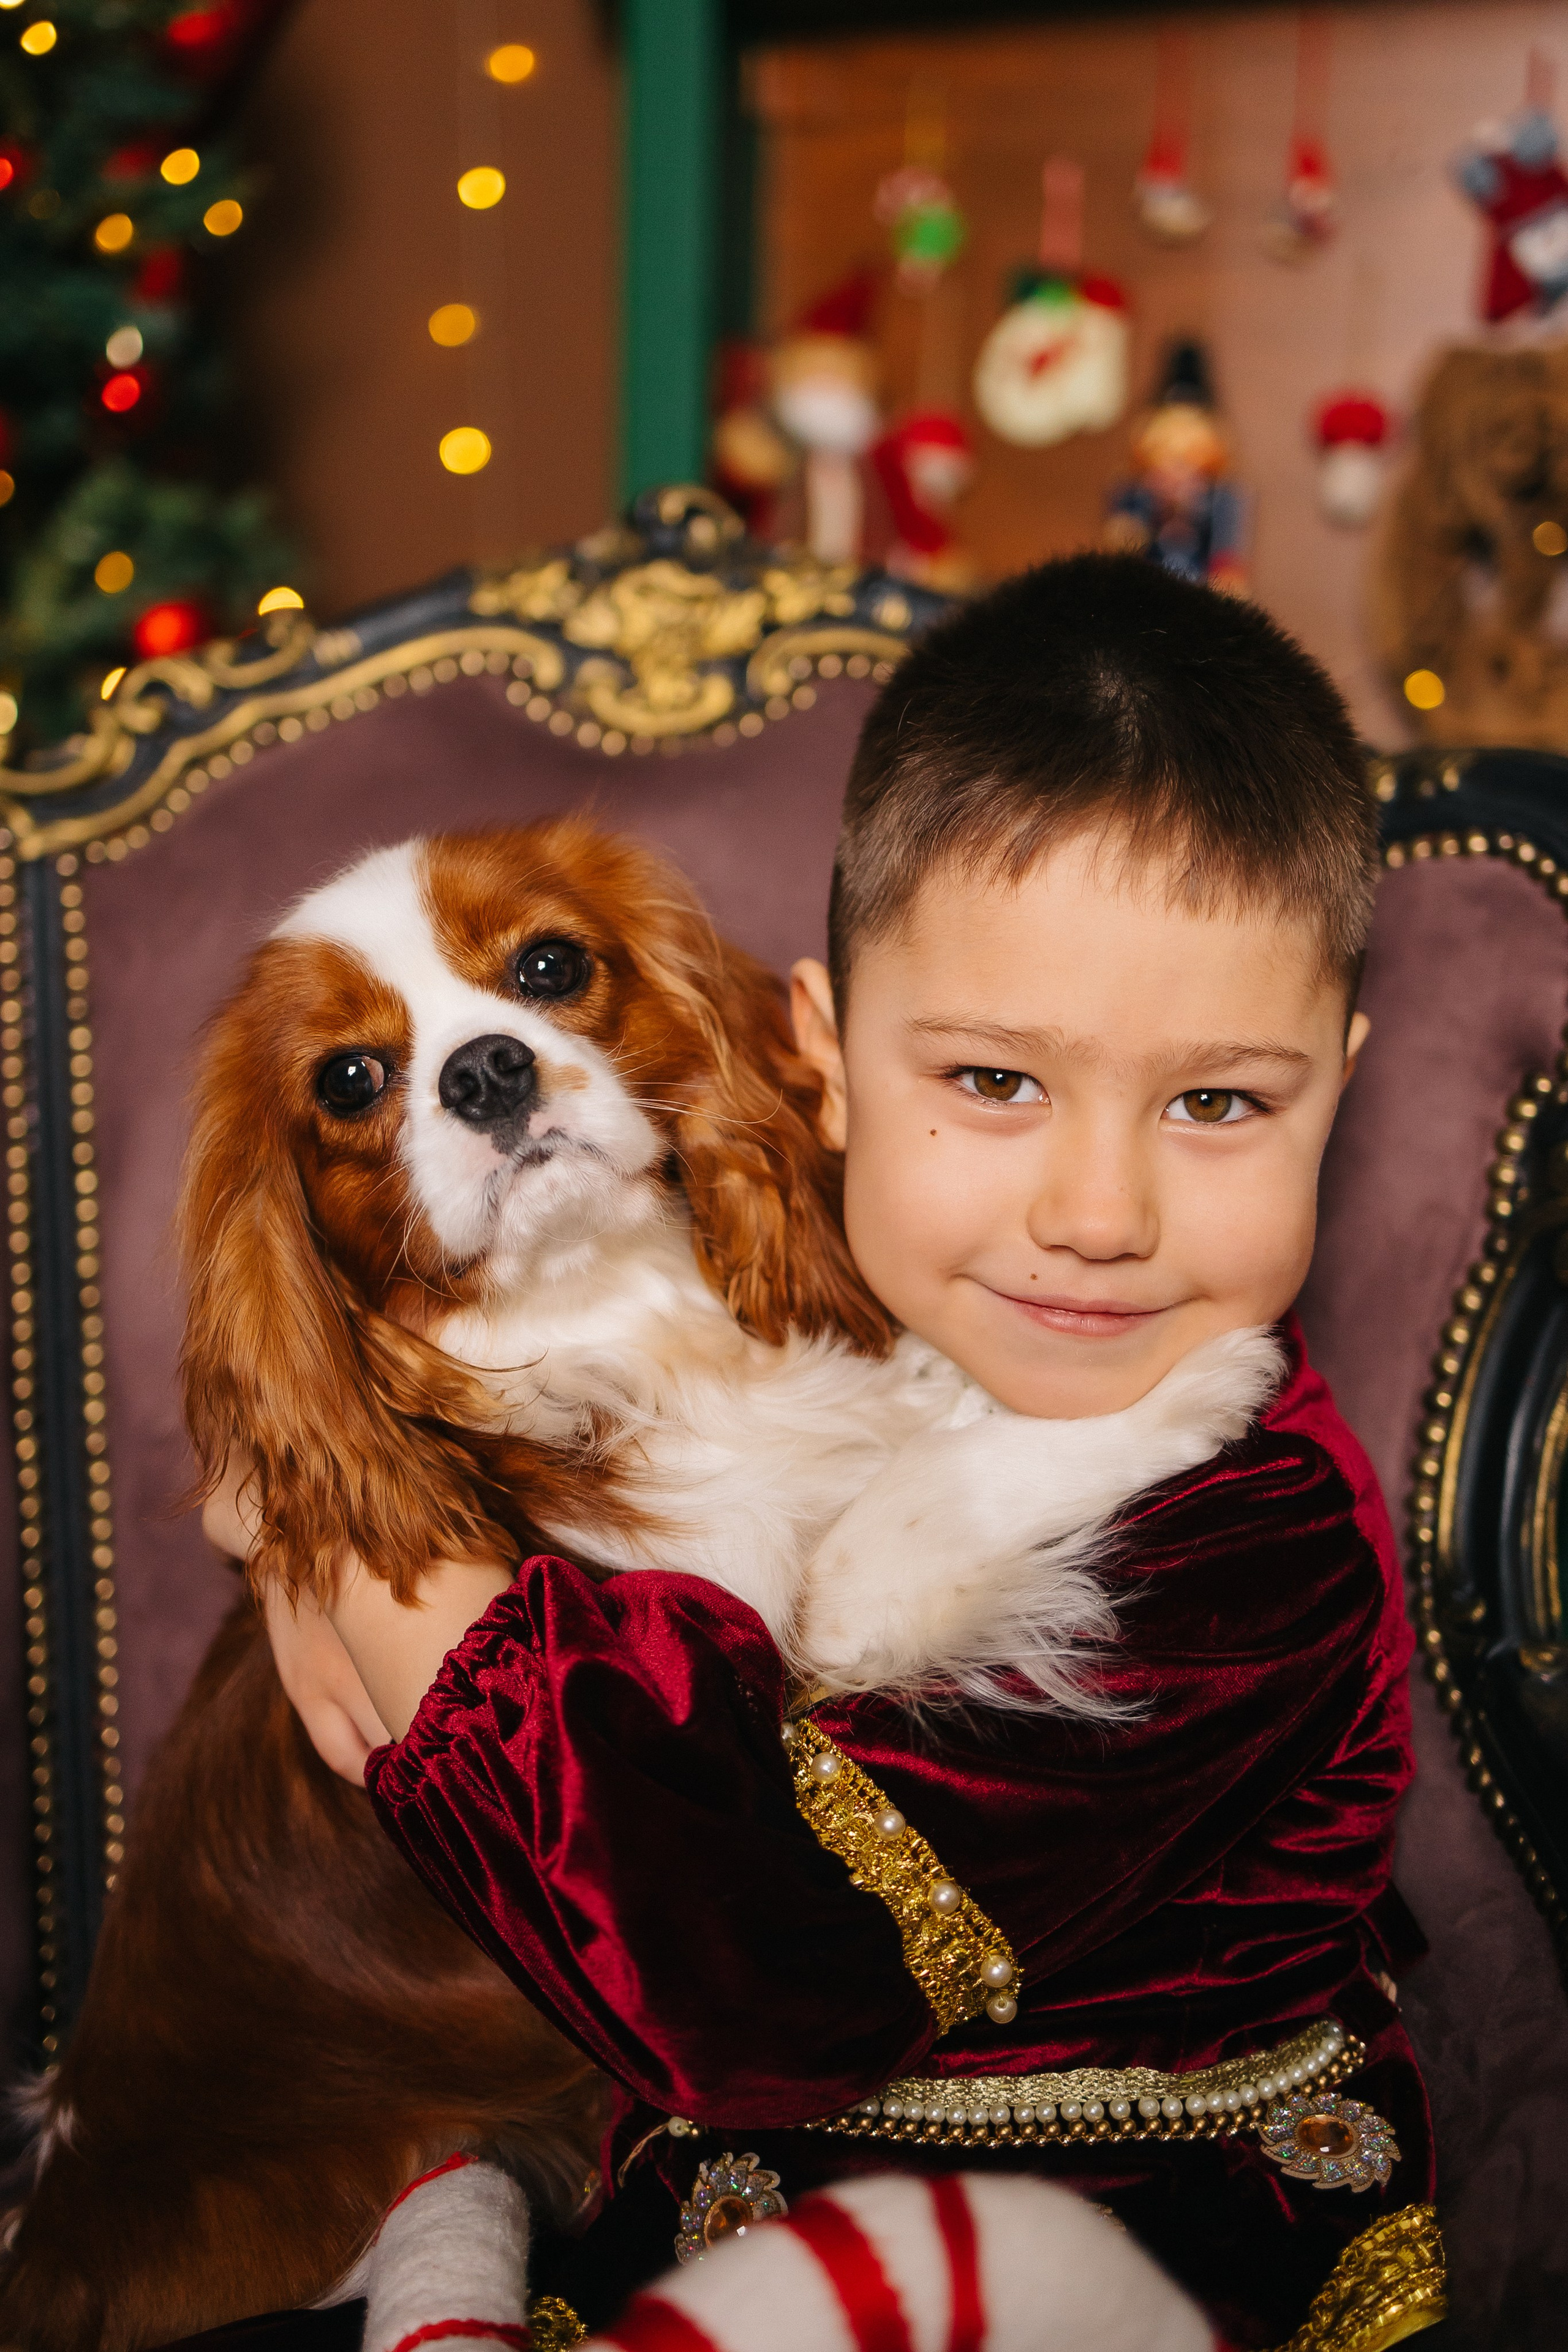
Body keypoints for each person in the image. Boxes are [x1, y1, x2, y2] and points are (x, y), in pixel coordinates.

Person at [210, 556, 1444, 2351]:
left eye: (1218, 1102)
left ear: (1340, 1081)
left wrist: (417, 1618)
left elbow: (753, 1970)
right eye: (998, 1086)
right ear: (820, 1066)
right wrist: (292, 1520)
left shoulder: (1260, 1547)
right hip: (694, 2215)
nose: (1096, 1215)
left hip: (1122, 2245)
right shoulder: (810, 1308)